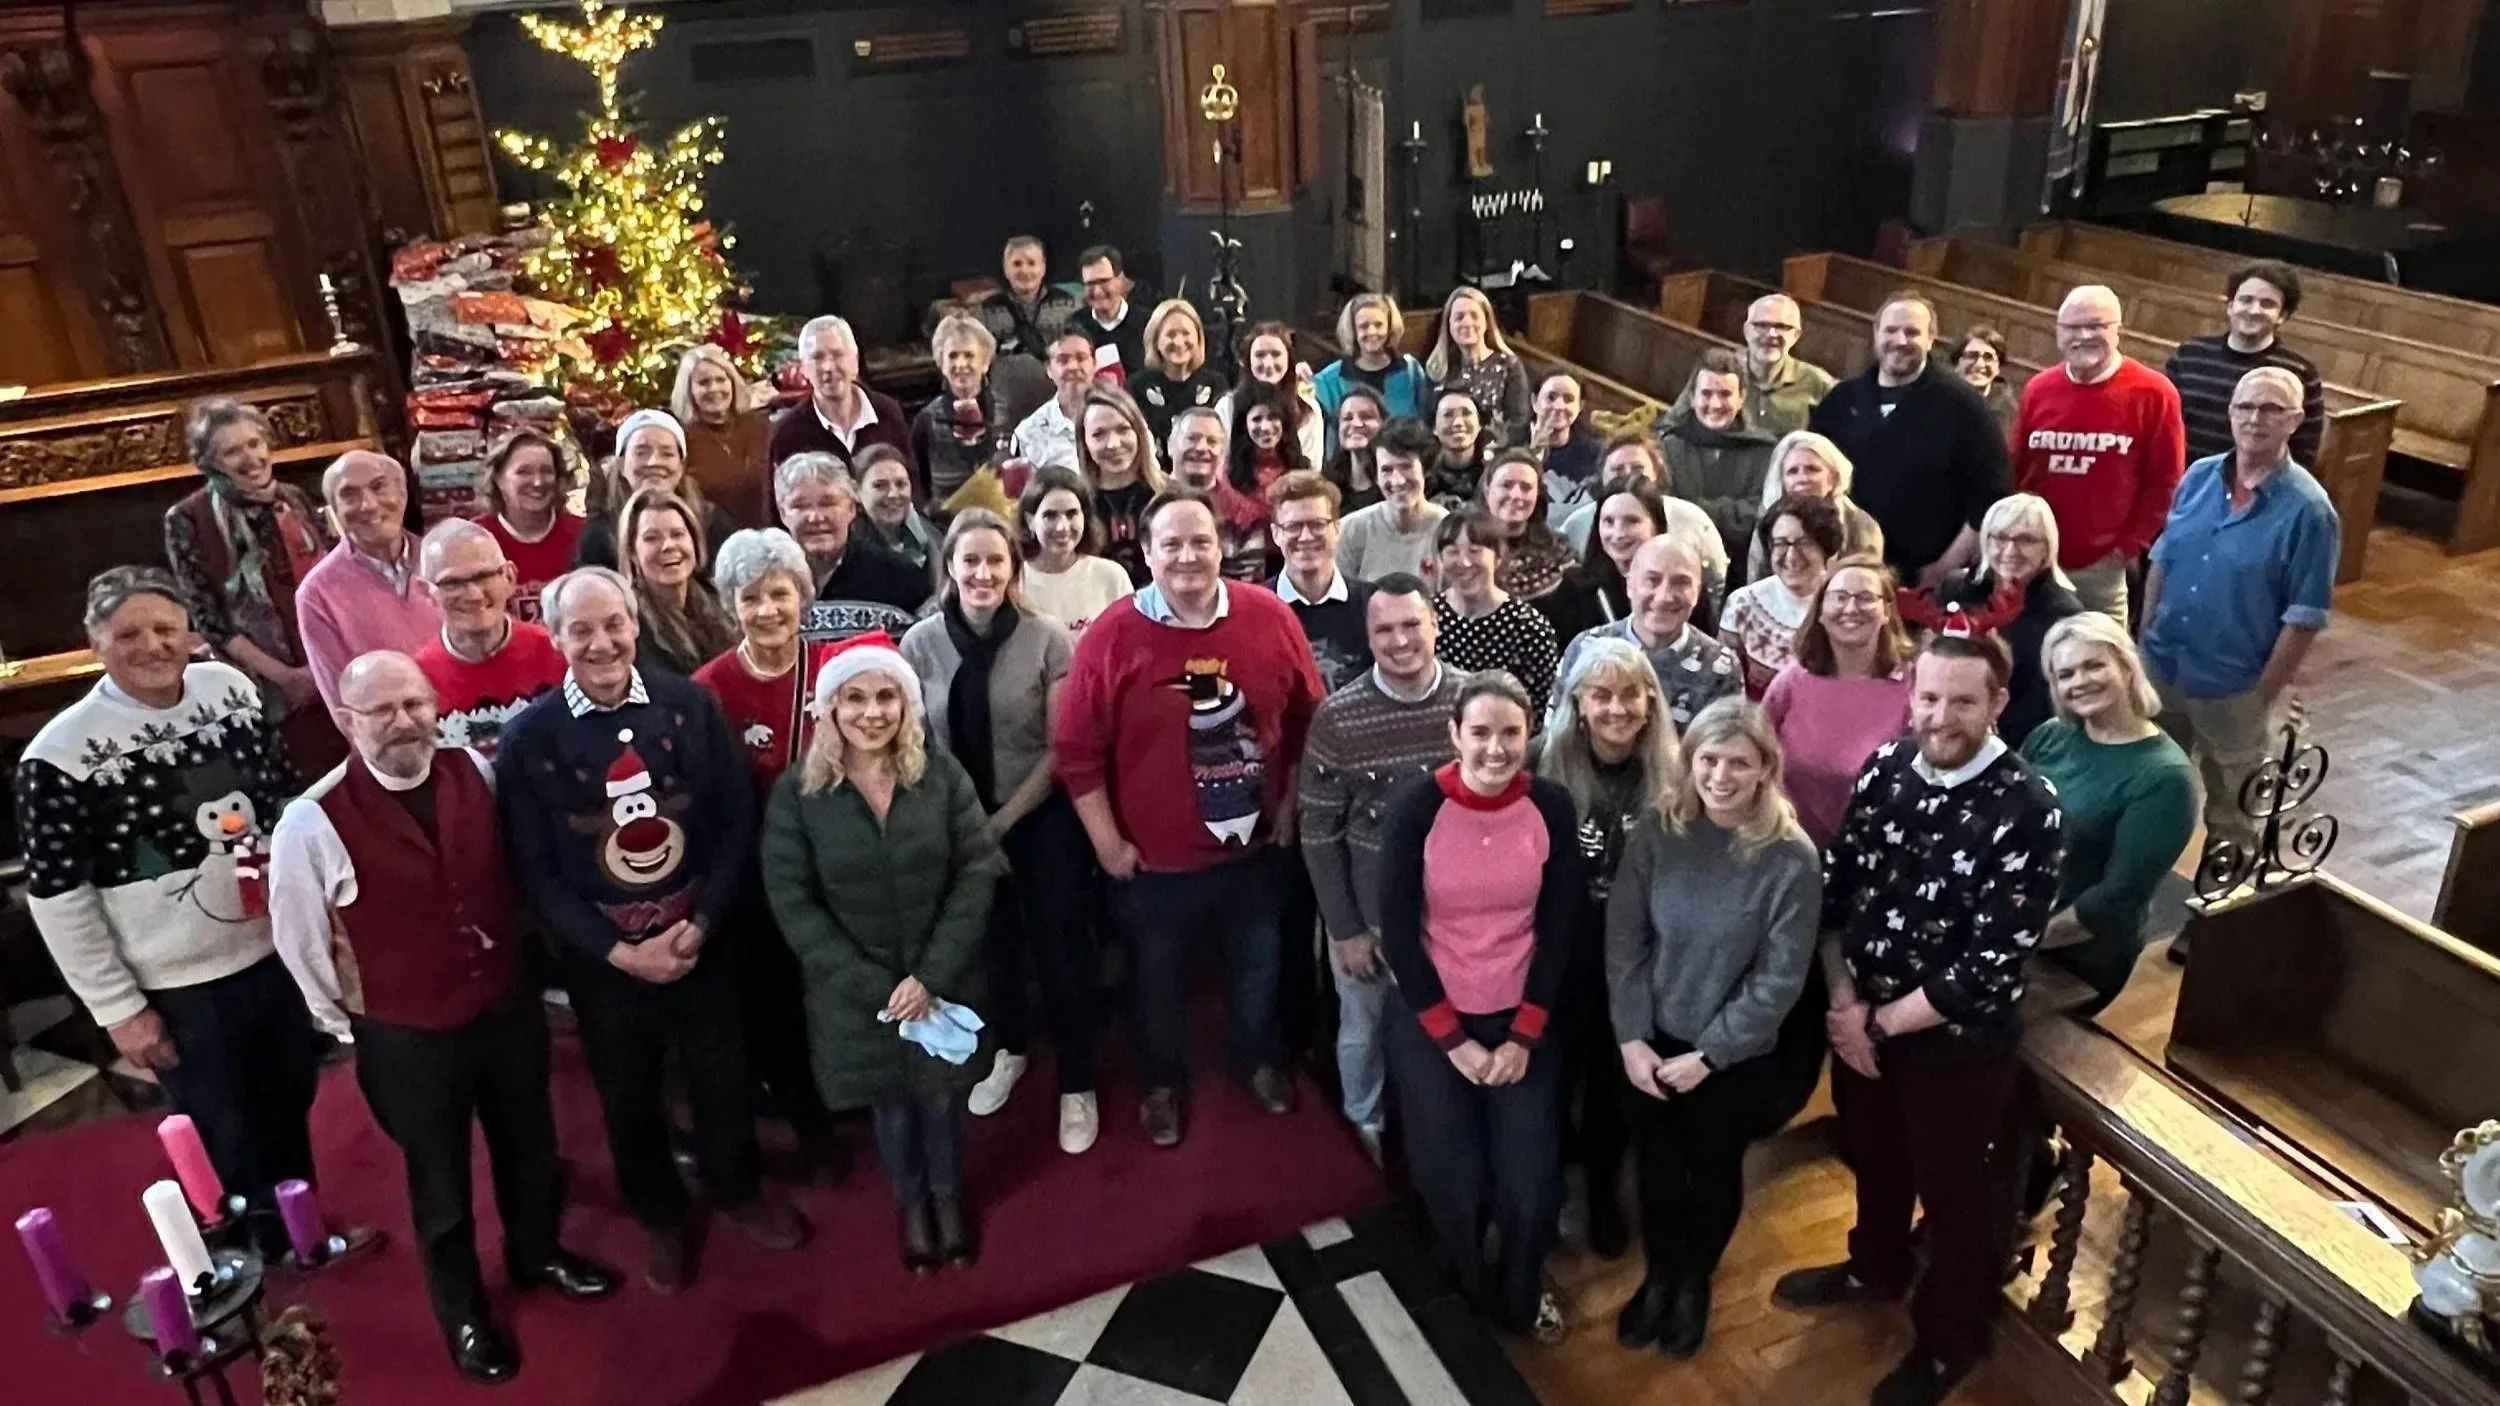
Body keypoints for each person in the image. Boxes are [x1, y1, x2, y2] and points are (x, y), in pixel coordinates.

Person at [269, 652, 617, 1385]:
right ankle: (462, 1312)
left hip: (502, 1005)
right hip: (408, 1032)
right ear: (347, 721)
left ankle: (537, 1253)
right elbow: (299, 939)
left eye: (415, 704)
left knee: (530, 1143)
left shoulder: (475, 771)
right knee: (441, 1182)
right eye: (382, 711)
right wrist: (349, 1022)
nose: (404, 722)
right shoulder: (313, 819)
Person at [17, 567, 379, 1262]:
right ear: (95, 642)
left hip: (269, 950)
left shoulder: (230, 691)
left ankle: (300, 1229)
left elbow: (281, 801)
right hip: (178, 984)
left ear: (191, 633)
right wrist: (118, 1008)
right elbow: (60, 897)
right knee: (223, 1128)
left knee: (288, 1097)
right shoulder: (59, 757)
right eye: (128, 634)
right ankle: (257, 1257)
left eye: (165, 628)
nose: (152, 645)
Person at [497, 567, 807, 1292]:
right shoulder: (529, 739)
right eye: (581, 630)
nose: (601, 643)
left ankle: (736, 1188)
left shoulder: (689, 704)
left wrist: (702, 921)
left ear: (635, 625)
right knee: (627, 1094)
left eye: (614, 624)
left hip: (701, 940)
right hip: (606, 963)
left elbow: (735, 820)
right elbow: (533, 869)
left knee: (723, 1076)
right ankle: (659, 1214)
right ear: (556, 637)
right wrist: (617, 952)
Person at [1772, 634, 2063, 1406]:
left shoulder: (2029, 808)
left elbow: (1991, 961)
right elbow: (1837, 893)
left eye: (1963, 701)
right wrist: (1844, 1003)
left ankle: (1948, 1342)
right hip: (1863, 1016)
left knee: (1954, 1197)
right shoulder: (1885, 768)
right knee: (1873, 1156)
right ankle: (1875, 1266)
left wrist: (1878, 1025)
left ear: (1998, 703)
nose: (1940, 715)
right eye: (1929, 698)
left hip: (1953, 1043)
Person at [1053, 490, 1326, 1147]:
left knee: (1258, 967)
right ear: (1146, 554)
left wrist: (1289, 804)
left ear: (1221, 547)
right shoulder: (1112, 634)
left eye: (1200, 541)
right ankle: (1162, 1083)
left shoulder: (1270, 616)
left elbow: (1307, 717)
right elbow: (1075, 750)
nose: (1187, 556)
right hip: (1152, 863)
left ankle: (1255, 1060)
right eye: (1170, 544)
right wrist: (1107, 843)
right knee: (1156, 984)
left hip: (1254, 852)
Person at [762, 630, 1002, 1270]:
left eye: (887, 696)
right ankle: (912, 1203)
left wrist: (930, 976)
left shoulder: (940, 775)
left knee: (942, 1100)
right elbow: (792, 902)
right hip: (856, 997)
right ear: (830, 709)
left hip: (941, 981)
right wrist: (879, 988)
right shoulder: (798, 794)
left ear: (907, 704)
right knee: (891, 1106)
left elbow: (977, 869)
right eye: (855, 698)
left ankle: (947, 1197)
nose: (872, 712)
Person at [1607, 697, 1819, 1359]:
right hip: (1653, 1039)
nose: (1721, 776)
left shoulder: (1790, 857)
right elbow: (1625, 940)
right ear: (1689, 761)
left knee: (1712, 1169)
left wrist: (1710, 1055)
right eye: (1709, 760)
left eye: (1739, 763)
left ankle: (1693, 1281)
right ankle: (1658, 1275)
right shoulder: (1658, 830)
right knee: (1657, 1166)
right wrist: (1632, 1037)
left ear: (1765, 769)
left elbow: (1780, 980)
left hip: (1733, 1055)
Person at [1376, 672, 1583, 1340]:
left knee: (1530, 1180)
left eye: (1510, 733)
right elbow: (1398, 935)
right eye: (1481, 733)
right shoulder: (1416, 809)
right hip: (1434, 1019)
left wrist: (1523, 1036)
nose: (1496, 749)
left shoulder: (1550, 806)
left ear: (1530, 735)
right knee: (1451, 1177)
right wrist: (1454, 1041)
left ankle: (1522, 1291)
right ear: (1455, 735)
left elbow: (1560, 926)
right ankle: (1464, 1286)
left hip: (1523, 1017)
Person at [900, 512, 1103, 1156]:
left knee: (1060, 950)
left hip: (1038, 818)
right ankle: (1010, 1048)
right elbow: (914, 744)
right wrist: (963, 824)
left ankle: (1078, 1080)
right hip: (957, 822)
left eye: (996, 561)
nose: (983, 573)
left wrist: (1002, 822)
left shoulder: (1048, 640)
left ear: (1014, 569)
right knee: (993, 949)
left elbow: (1059, 750)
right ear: (950, 567)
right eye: (970, 560)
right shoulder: (920, 643)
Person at [691, 529, 849, 1186]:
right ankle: (807, 1121)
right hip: (757, 875)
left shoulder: (837, 669)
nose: (767, 610)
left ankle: (849, 1091)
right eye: (750, 597)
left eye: (779, 594)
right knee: (777, 1002)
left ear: (801, 596)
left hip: (837, 865)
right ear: (731, 605)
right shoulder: (709, 689)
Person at [1298, 573, 1466, 1163]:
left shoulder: (1472, 702)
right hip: (1369, 919)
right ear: (1367, 638)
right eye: (1384, 630)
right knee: (1362, 1032)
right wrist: (1345, 929)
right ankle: (1363, 1127)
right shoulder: (1337, 718)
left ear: (1435, 625)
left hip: (1458, 920)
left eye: (1411, 625)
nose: (1399, 641)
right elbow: (1318, 832)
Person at [2139, 366, 2338, 861]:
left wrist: (2262, 694)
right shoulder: (2199, 476)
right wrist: (2144, 639)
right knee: (2151, 792)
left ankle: (2223, 902)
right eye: (2245, 406)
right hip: (2163, 667)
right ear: (2230, 413)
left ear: (2295, 420)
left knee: (2235, 814)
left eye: (2271, 408)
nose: (2255, 418)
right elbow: (2163, 557)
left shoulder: (2310, 511)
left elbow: (2305, 616)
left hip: (2234, 684)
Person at [1538, 637, 1682, 1262]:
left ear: (1650, 702)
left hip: (1636, 954)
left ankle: (1602, 1187)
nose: (1617, 708)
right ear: (1579, 703)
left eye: (1630, 695)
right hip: (1559, 946)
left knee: (1609, 1077)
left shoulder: (1675, 773)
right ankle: (1548, 1181)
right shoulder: (1543, 764)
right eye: (1601, 695)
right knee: (1553, 1070)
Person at [2023, 615, 2197, 1013]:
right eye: (2066, 674)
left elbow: (2116, 898)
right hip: (2013, 919)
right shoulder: (2051, 735)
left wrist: (2019, 940)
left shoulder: (2166, 779)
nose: (2080, 681)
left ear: (2126, 666)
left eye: (2094, 665)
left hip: (2075, 955)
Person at [162, 398, 341, 777]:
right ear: (210, 463)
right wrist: (287, 678)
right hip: (260, 687)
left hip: (326, 665)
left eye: (254, 443)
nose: (251, 458)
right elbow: (210, 620)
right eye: (232, 452)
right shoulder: (188, 518)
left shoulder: (293, 499)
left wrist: (325, 664)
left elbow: (330, 584)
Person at [2010, 286, 2185, 625]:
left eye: (2096, 325)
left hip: (2101, 567)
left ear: (2118, 330)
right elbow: (2016, 465)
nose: (2084, 336)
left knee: (2099, 651)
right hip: (2032, 557)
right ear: (2059, 332)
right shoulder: (2039, 388)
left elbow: (2167, 480)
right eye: (2073, 327)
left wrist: (2128, 546)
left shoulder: (2155, 392)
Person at [1808, 293, 2008, 589]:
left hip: (1923, 582)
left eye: (1912, 332)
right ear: (1876, 333)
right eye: (1891, 330)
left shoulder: (1965, 406)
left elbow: (1990, 497)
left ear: (1931, 339)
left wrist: (1943, 569)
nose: (1900, 340)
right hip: (1842, 575)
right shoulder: (1841, 400)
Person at [1762, 556, 1914, 847]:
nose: (1851, 608)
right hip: (1789, 845)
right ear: (1820, 610)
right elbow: (1757, 755)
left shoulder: (1913, 685)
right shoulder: (1790, 682)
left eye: (1865, 598)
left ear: (1886, 612)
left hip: (1877, 850)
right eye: (1839, 597)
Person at [1928, 494, 2082, 747]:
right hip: (1948, 726)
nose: (2010, 550)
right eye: (2000, 538)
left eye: (2026, 540)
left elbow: (2046, 704)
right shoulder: (1954, 589)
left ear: (2048, 547)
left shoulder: (2063, 615)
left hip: (2021, 742)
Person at [298, 449, 441, 710]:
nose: (368, 504)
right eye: (349, 494)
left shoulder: (444, 559)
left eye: (378, 487)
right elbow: (342, 704)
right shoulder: (316, 593)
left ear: (402, 493)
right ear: (335, 510)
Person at [1552, 535, 1739, 733]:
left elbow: (1722, 745)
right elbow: (1556, 737)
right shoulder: (1586, 648)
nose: (1664, 596)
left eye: (1681, 583)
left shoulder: (1720, 667)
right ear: (1630, 586)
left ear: (1697, 591)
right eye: (1652, 581)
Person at [414, 518, 567, 758]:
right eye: (452, 583)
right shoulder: (416, 682)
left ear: (510, 577)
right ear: (426, 592)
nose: (474, 594)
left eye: (483, 576)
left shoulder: (559, 653)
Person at [2161, 260, 2327, 469]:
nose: (2253, 310)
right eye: (2246, 300)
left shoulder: (2299, 372)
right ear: (2230, 306)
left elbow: (2304, 452)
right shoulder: (2189, 354)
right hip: (2184, 478)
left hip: (2255, 484)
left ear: (2282, 316)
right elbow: (2162, 423)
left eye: (2267, 304)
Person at [770, 452, 929, 639]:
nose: (815, 517)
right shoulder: (766, 580)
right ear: (783, 513)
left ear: (851, 508)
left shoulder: (902, 577)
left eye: (828, 503)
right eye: (800, 506)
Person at [1559, 437, 1729, 598]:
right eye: (1617, 470)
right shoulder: (1576, 524)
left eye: (1638, 469)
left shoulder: (1691, 517)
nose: (1618, 533)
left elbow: (1716, 582)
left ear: (1657, 474)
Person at [1659, 350, 1778, 578]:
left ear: (1742, 398)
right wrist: (1727, 512)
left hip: (1742, 569)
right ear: (1692, 398)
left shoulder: (1765, 451)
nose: (1715, 404)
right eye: (1706, 393)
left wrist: (1694, 512)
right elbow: (1663, 509)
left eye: (1725, 394)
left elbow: (1761, 513)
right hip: (1676, 564)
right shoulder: (1669, 446)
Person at [574, 409, 737, 570]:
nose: (653, 462)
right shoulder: (600, 535)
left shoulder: (710, 522)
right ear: (622, 465)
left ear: (681, 466)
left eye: (667, 454)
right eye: (641, 453)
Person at [1433, 508, 1560, 704]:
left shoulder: (1529, 628)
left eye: (1475, 551)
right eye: (1452, 551)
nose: (1464, 562)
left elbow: (1542, 706)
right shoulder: (1426, 618)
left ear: (1498, 557)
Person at [1721, 495, 1843, 698]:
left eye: (1804, 543)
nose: (1791, 556)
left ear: (1826, 548)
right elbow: (1724, 690)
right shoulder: (1742, 604)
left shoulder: (1845, 606)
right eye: (1781, 544)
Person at [1671, 293, 1836, 438]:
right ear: (1746, 331)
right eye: (1761, 325)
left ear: (1796, 335)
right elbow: (1671, 425)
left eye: (1781, 327)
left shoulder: (1818, 383)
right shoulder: (1717, 373)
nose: (1771, 334)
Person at [616, 486, 741, 678]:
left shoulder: (721, 601)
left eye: (677, 534)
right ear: (632, 553)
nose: (668, 546)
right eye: (652, 538)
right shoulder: (627, 622)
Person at [1269, 472, 1376, 692]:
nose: (1306, 536)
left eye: (1317, 524)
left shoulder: (1373, 603)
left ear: (1337, 529)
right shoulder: (1256, 608)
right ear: (1276, 534)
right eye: (1293, 526)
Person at [767, 314, 914, 472]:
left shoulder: (888, 413)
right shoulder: (788, 432)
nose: (828, 367)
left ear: (855, 361)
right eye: (818, 357)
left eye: (837, 355)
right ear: (804, 369)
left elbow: (911, 480)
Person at [1482, 450, 1597, 643]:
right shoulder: (1466, 552)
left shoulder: (1560, 554)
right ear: (1487, 491)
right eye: (1506, 485)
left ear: (1538, 495)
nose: (1515, 495)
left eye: (1526, 488)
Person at [473, 427, 585, 623]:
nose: (537, 482)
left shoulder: (584, 535)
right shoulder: (476, 539)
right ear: (498, 479)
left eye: (547, 471)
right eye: (524, 472)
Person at [1747, 430, 1884, 581]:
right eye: (1793, 471)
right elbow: (1756, 580)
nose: (1802, 478)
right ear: (1782, 482)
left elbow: (1866, 583)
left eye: (1812, 469)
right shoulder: (1770, 522)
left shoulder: (1860, 524)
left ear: (1833, 478)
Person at [1017, 465, 1136, 638]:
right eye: (1050, 516)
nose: (1062, 527)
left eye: (1071, 514)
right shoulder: (1014, 582)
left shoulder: (1111, 576)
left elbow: (1131, 640)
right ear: (1030, 521)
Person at [909, 312, 1011, 508]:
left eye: (969, 355)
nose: (961, 364)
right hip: (947, 523)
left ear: (985, 363)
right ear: (941, 364)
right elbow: (919, 486)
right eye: (952, 356)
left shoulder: (1007, 410)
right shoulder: (926, 420)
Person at [669, 344, 772, 527]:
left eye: (721, 380)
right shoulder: (680, 439)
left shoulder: (761, 427)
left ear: (732, 383)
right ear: (688, 390)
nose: (714, 388)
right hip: (712, 537)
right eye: (704, 383)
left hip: (770, 534)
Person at [1337, 419, 1448, 586]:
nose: (1398, 480)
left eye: (1406, 467)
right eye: (1386, 470)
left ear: (1425, 469)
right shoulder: (1350, 530)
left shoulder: (1447, 530)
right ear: (1376, 477)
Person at [1076, 385, 1168, 585]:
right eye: (1099, 434)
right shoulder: (1076, 503)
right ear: (1084, 442)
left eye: (1123, 430)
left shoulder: (1170, 494)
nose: (1113, 444)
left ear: (1139, 432)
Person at [1215, 381, 1306, 581]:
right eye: (1257, 419)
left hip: (1295, 566)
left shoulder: (1303, 469)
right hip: (1243, 572)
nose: (1265, 427)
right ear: (1244, 425)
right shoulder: (1227, 474)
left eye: (1273, 418)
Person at [1315, 292, 1432, 445]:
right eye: (1363, 326)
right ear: (1353, 330)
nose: (1371, 332)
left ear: (1390, 327)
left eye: (1378, 325)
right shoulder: (1328, 380)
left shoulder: (1411, 371)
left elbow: (1425, 423)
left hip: (1403, 456)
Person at [1425, 286, 1532, 449]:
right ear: (1449, 325)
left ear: (1487, 322)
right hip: (1449, 453)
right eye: (1459, 317)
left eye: (1474, 316)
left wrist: (1492, 450)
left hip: (1497, 453)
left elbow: (1519, 422)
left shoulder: (1509, 366)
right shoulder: (1438, 368)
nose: (1467, 323)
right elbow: (1429, 422)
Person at [1217, 322, 1326, 468]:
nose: (1268, 364)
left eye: (1276, 354)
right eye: (1260, 355)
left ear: (1289, 359)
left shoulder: (1308, 408)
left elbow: (1313, 468)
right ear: (1248, 361)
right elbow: (1220, 464)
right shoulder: (1227, 406)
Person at [1127, 298, 1229, 449]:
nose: (1179, 342)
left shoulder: (1216, 384)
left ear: (1198, 338)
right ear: (1155, 340)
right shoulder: (1137, 387)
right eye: (1170, 334)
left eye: (1186, 333)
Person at [1579, 477, 1669, 623]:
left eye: (1632, 521)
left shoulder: (1683, 582)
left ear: (1656, 525)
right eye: (1609, 521)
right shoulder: (1577, 592)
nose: (1618, 534)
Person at [979, 234, 1079, 365]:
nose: (1025, 271)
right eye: (1017, 264)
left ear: (1043, 268)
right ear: (1005, 269)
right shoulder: (986, 311)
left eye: (1031, 263)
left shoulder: (1069, 304)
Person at [1011, 331, 1100, 474]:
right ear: (1049, 370)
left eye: (1081, 358)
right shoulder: (1027, 433)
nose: (1073, 366)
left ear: (1095, 364)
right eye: (1062, 360)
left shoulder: (1120, 414)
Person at [855, 444, 940, 572]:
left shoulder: (932, 537)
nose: (893, 494)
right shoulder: (846, 546)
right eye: (880, 485)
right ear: (856, 491)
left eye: (901, 484)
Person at [1074, 245, 1149, 384]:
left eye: (1103, 281)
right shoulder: (1075, 326)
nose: (1097, 292)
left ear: (1120, 280)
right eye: (1090, 284)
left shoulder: (1148, 323)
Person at [1531, 373, 1606, 492]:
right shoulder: (1509, 441)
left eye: (1569, 399)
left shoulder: (1595, 455)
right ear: (1534, 401)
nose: (1559, 406)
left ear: (1580, 406)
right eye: (1551, 397)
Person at [1323, 384, 1389, 511]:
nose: (1356, 424)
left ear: (1383, 425)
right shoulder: (1326, 485)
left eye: (1366, 416)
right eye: (1347, 418)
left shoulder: (1396, 483)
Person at [1427, 387, 1492, 507]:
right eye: (1448, 415)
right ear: (1434, 427)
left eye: (1466, 413)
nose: (1458, 423)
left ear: (1480, 424)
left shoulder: (1494, 475)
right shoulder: (1422, 477)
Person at [1954, 326, 2018, 431]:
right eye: (1972, 356)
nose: (1980, 364)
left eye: (1988, 358)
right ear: (1957, 362)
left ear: (1998, 367)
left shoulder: (2010, 416)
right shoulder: (1938, 399)